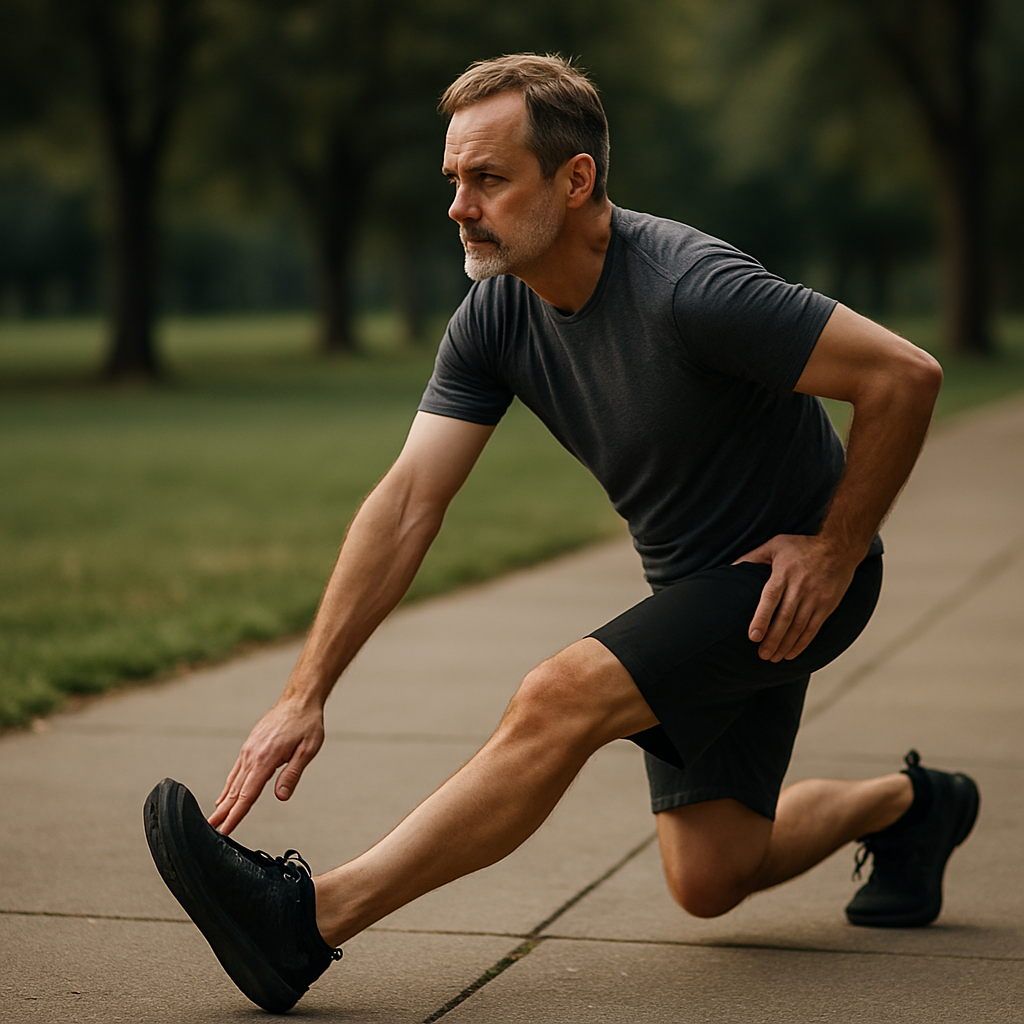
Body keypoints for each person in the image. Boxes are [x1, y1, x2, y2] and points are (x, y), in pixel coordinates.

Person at [144, 54, 979, 1014]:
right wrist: (305, 692)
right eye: (454, 178)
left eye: (488, 178)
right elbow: (409, 499)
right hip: (698, 596)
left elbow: (904, 376)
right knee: (711, 875)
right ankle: (915, 805)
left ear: (575, 179)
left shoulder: (690, 287)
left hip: (798, 583)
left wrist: (834, 552)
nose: (459, 206)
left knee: (559, 695)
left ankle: (305, 920)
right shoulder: (495, 315)